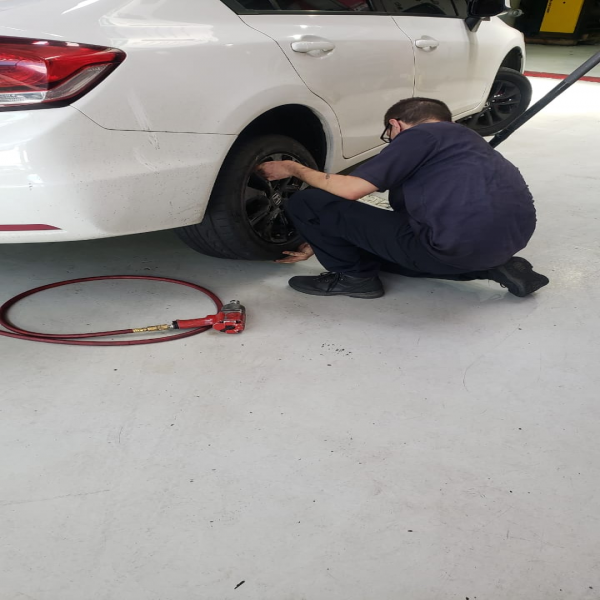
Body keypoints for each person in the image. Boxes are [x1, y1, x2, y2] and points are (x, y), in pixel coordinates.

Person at [257, 97, 549, 299]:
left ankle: (354, 279)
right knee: (373, 252)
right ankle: (496, 267)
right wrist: (323, 238)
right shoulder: (468, 142)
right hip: (504, 242)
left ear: (395, 125)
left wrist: (293, 168)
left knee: (309, 202)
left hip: (451, 248)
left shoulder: (420, 136)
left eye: (389, 134)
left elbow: (351, 189)